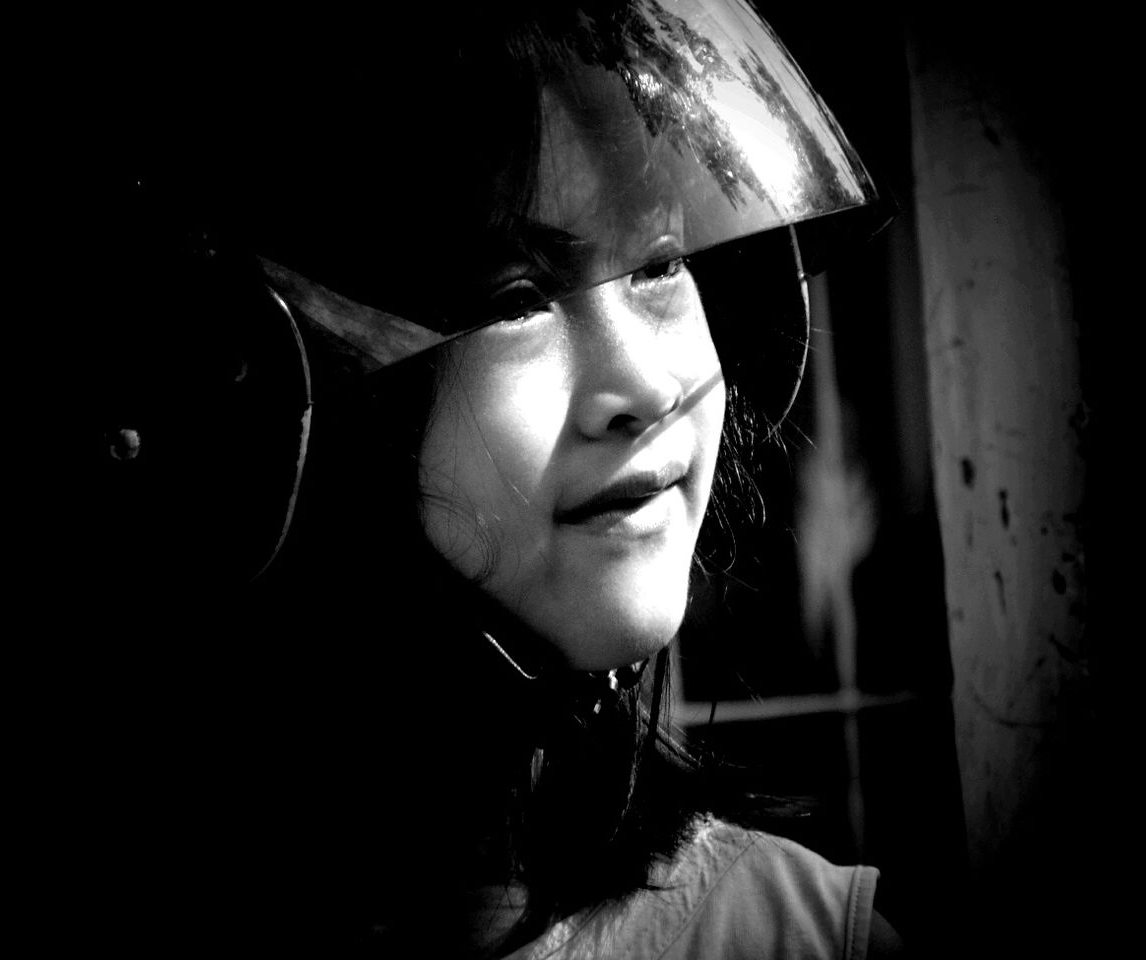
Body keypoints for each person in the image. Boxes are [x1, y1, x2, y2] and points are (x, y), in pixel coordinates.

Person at [81, 1, 903, 956]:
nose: (643, 386)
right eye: (516, 303)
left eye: (662, 265)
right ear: (308, 406)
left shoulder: (794, 940)